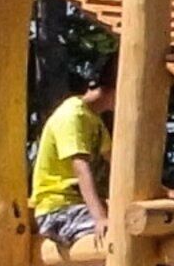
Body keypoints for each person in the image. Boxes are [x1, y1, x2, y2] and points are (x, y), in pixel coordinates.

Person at [30, 61, 113, 253]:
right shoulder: (72, 115)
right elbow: (80, 168)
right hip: (57, 210)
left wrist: (162, 191)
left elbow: (118, 165)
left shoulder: (94, 120)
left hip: (76, 207)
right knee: (116, 236)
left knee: (127, 224)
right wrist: (100, 217)